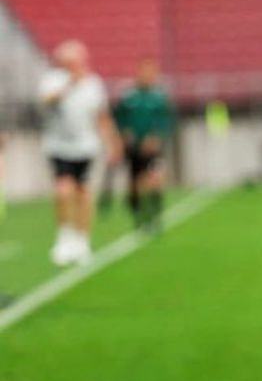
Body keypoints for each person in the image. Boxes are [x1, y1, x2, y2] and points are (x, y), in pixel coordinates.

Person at [38, 40, 121, 265]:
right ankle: (64, 237)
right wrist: (70, 85)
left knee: (83, 192)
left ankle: (82, 240)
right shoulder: (52, 80)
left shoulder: (93, 84)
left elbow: (101, 117)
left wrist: (112, 143)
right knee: (63, 189)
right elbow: (45, 101)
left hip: (85, 147)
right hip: (58, 146)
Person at [113, 58, 175, 231]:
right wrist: (124, 133)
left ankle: (155, 215)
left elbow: (167, 120)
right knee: (135, 182)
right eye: (144, 71)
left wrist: (157, 136)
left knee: (155, 179)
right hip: (133, 147)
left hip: (153, 148)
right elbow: (119, 118)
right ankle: (138, 214)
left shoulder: (159, 97)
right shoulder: (129, 96)